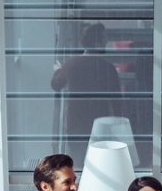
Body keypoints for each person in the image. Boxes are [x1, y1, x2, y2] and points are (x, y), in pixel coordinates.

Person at [50, 22, 121, 163]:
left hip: (76, 124)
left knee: (79, 163)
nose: (106, 42)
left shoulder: (71, 64)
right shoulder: (108, 68)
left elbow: (56, 85)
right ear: (97, 42)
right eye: (104, 39)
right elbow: (117, 102)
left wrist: (59, 70)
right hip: (101, 125)